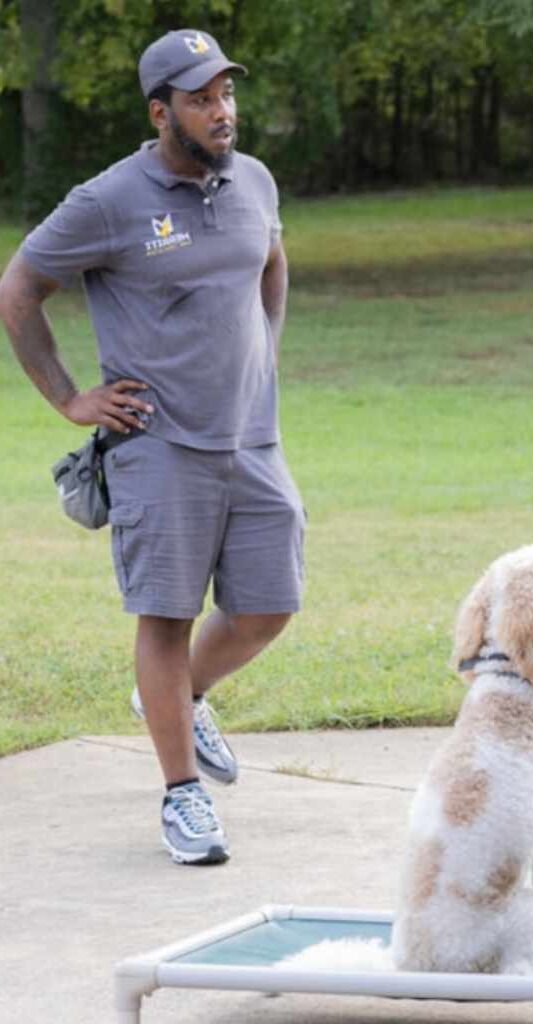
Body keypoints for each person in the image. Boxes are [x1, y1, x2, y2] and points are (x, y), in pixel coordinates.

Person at [0, 29, 305, 866]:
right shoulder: (108, 201)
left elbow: (271, 262)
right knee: (165, 615)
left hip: (253, 436)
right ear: (160, 109)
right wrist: (69, 397)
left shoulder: (254, 182)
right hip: (159, 445)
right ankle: (182, 797)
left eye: (228, 95)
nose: (223, 112)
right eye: (203, 98)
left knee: (270, 603)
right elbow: (18, 288)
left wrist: (266, 351)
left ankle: (179, 696)